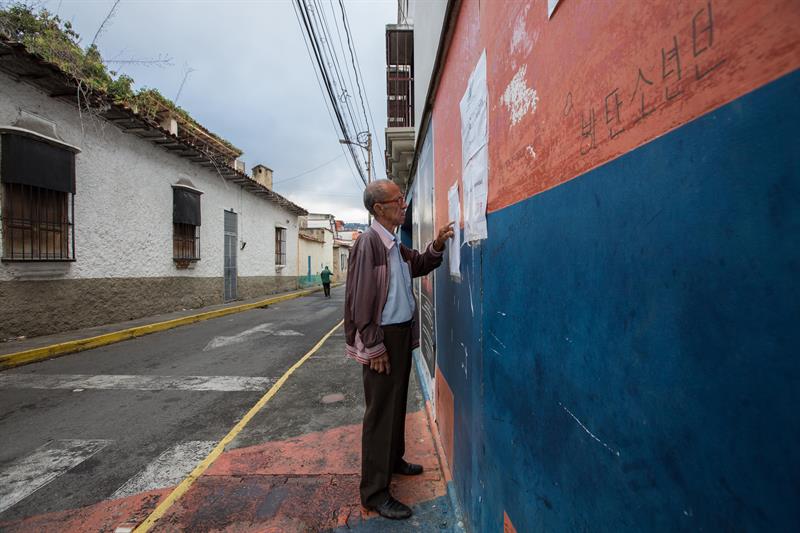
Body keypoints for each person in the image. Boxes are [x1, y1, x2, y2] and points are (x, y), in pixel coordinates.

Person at [344, 179, 454, 520]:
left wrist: (436, 245)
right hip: (383, 338)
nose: (403, 204)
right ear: (379, 209)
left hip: (400, 335)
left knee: (395, 405)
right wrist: (374, 346)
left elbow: (419, 264)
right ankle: (374, 493)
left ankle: (392, 461)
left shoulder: (393, 244)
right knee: (380, 414)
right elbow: (360, 300)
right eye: (398, 200)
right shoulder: (369, 244)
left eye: (402, 198)